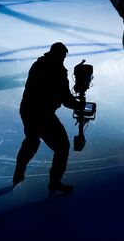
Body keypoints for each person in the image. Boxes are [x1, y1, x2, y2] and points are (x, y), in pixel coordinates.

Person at [13, 42, 84, 195]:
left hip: (27, 110)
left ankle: (18, 174)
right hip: (42, 114)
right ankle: (55, 182)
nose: (63, 60)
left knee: (31, 141)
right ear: (59, 56)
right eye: (63, 57)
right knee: (62, 147)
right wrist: (79, 105)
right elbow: (65, 99)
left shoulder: (38, 64)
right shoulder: (57, 71)